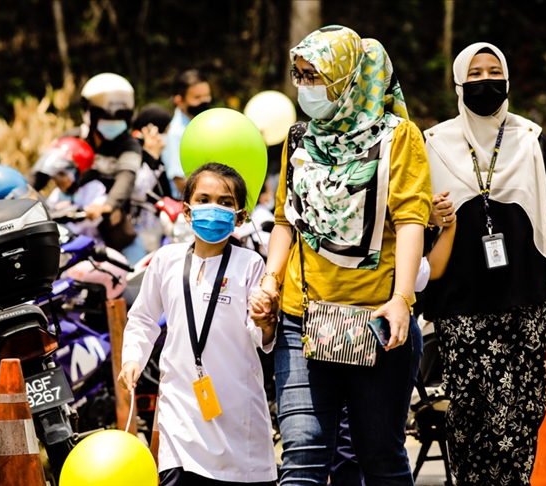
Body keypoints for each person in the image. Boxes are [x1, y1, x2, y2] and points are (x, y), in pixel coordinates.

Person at [422, 42, 546, 485]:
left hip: (522, 300)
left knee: (520, 418)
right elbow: (416, 222)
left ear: (507, 79)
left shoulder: (529, 137)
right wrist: (433, 217)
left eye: (494, 71)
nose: (485, 81)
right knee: (470, 426)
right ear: (458, 83)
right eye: (474, 74)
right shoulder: (434, 143)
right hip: (459, 303)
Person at [250, 25, 432, 484]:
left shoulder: (399, 138)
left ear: (348, 78)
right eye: (301, 75)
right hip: (302, 317)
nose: (306, 86)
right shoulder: (299, 138)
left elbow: (412, 219)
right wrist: (271, 280)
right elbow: (286, 219)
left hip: (378, 320)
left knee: (380, 457)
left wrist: (402, 299)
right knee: (303, 455)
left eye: (316, 76)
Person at [117, 163, 277, 485]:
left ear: (241, 217)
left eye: (225, 202)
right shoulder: (166, 260)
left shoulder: (250, 265)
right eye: (203, 199)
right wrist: (133, 358)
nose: (213, 208)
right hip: (180, 411)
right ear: (187, 212)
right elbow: (144, 316)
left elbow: (259, 334)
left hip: (237, 415)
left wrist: (266, 321)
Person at [55, 73, 143, 252]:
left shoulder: (129, 144)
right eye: (106, 116)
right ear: (89, 113)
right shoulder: (71, 139)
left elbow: (126, 178)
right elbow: (42, 172)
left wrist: (107, 206)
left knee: (136, 273)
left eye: (120, 116)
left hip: (114, 227)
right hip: (71, 223)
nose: (113, 122)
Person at [127, 103, 175, 262]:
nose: (165, 137)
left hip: (158, 233)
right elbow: (138, 192)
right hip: (137, 236)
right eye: (164, 131)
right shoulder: (131, 154)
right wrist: (151, 155)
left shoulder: (159, 158)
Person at [162, 70, 212, 196]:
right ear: (179, 101)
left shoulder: (205, 123)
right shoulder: (176, 133)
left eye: (206, 95)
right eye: (197, 98)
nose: (204, 101)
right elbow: (180, 183)